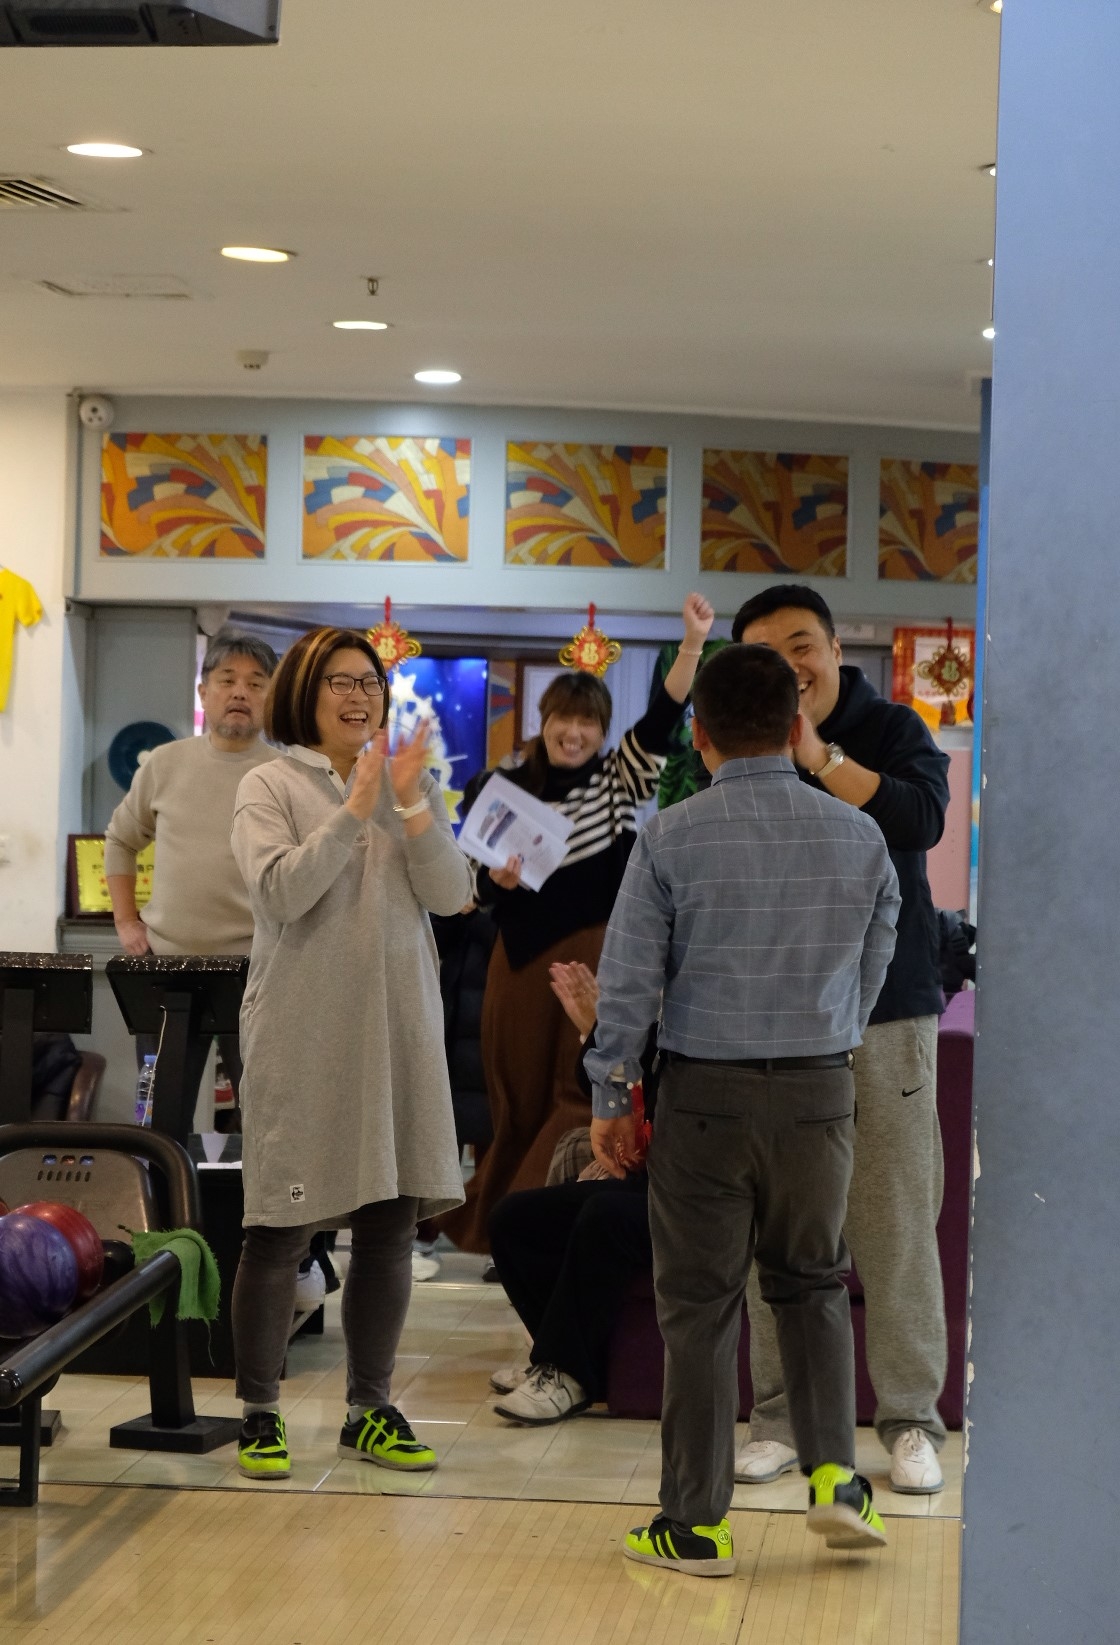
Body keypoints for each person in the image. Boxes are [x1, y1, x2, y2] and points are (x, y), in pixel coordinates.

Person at [587, 643, 900, 1578]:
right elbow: (876, 957)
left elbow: (628, 981)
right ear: (797, 726)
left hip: (704, 1099)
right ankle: (836, 1477)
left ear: (700, 733)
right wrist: (831, 1028)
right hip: (818, 1090)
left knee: (700, 1305)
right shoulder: (861, 836)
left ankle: (694, 1525)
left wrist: (613, 1093)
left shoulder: (669, 836)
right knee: (812, 1282)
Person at [228, 626, 472, 1481]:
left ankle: (370, 1407)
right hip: (304, 1033)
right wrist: (354, 808)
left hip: (399, 1031)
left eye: (370, 681)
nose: (359, 695)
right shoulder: (269, 782)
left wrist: (410, 803)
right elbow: (280, 891)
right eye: (340, 680)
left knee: (389, 1227)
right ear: (305, 689)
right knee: (279, 1230)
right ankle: (259, 1410)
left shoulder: (410, 784)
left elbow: (454, 892)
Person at [732, 585, 951, 1495]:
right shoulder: (739, 743)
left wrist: (819, 757)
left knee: (893, 1224)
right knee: (779, 1231)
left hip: (886, 1011)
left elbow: (920, 818)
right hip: (774, 1017)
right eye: (766, 652)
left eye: (802, 645)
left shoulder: (891, 726)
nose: (790, 666)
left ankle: (911, 1419)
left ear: (831, 650)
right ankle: (781, 1416)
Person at [437, 594, 715, 1253]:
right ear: (545, 720)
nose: (575, 733)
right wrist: (496, 882)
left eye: (588, 722)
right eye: (564, 718)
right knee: (513, 1096)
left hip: (595, 955)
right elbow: (467, 887)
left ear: (601, 730)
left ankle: (545, 1223)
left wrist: (692, 643)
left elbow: (664, 713)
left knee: (577, 1088)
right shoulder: (501, 786)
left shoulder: (618, 778)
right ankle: (503, 1228)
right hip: (516, 959)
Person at [104, 627, 279, 1126]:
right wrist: (126, 921)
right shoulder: (165, 763)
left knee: (268, 1122)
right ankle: (163, 1182)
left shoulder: (286, 774)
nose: (240, 692)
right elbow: (120, 841)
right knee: (162, 1119)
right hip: (168, 968)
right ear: (204, 692)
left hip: (259, 972)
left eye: (256, 683)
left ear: (271, 697)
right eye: (227, 680)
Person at [487, 961, 656, 1426]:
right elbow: (633, 1082)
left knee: (605, 1216)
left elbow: (658, 1082)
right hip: (654, 1179)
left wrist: (600, 1031)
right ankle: (563, 1362)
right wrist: (598, 1032)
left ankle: (565, 1369)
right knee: (514, 1220)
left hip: (706, 1194)